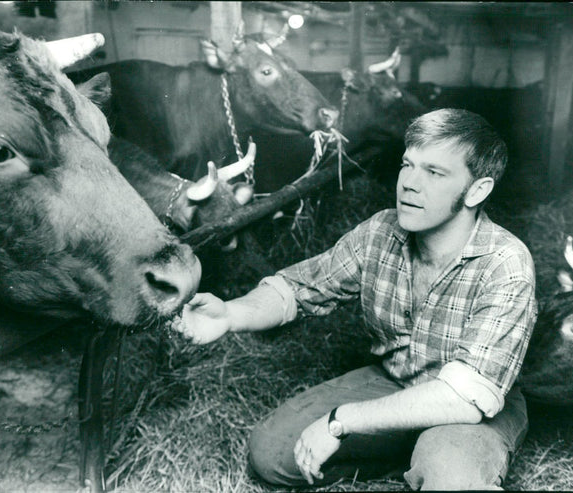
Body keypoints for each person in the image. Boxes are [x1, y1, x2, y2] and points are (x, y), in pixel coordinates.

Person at [173, 108, 537, 490]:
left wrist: (341, 421)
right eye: (407, 164)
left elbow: (464, 398)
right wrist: (230, 314)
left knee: (450, 476)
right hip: (394, 383)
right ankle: (406, 452)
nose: (409, 184)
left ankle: (433, 459)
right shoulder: (381, 231)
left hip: (467, 409)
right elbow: (297, 289)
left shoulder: (506, 263)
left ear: (477, 190)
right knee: (272, 453)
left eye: (434, 172)